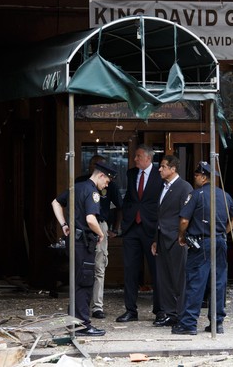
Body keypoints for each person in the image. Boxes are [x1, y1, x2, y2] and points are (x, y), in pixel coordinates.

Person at [172, 161, 233, 335]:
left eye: (196, 175)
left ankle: (188, 324)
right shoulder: (225, 195)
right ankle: (217, 323)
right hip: (220, 242)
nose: (194, 178)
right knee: (218, 283)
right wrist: (220, 233)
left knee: (196, 282)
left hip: (201, 244)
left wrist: (181, 236)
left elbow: (184, 220)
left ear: (203, 177)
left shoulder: (196, 195)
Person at [51, 162, 118, 336]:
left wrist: (64, 224)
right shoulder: (93, 192)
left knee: (76, 280)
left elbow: (55, 202)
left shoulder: (77, 188)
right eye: (108, 180)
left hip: (73, 240)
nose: (107, 184)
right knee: (84, 282)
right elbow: (90, 219)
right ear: (101, 175)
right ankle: (82, 324)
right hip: (84, 242)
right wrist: (101, 234)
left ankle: (72, 322)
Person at [116, 144, 164, 324]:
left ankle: (160, 310)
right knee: (130, 270)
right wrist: (125, 219)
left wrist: (160, 228)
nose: (134, 159)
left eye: (138, 156)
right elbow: (129, 197)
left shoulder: (159, 174)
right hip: (131, 228)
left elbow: (162, 202)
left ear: (148, 158)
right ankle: (130, 310)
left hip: (151, 229)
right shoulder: (131, 174)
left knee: (156, 270)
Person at [76, 155, 123, 320]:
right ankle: (79, 307)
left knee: (99, 267)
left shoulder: (110, 185)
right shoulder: (80, 183)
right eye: (91, 164)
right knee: (81, 267)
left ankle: (97, 306)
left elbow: (119, 208)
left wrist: (115, 230)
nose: (92, 166)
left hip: (101, 224)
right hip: (83, 225)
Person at [151, 155, 193, 327]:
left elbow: (186, 215)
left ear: (173, 169)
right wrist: (155, 239)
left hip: (177, 238)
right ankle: (170, 313)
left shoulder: (184, 187)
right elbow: (160, 216)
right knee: (164, 277)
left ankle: (182, 314)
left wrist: (182, 236)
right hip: (162, 237)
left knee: (179, 278)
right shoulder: (163, 187)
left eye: (163, 166)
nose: (160, 169)